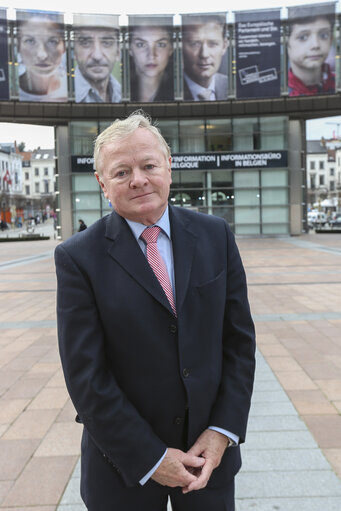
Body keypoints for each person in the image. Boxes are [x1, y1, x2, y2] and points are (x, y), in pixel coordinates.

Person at [55, 111, 255, 511]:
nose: (139, 179)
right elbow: (86, 376)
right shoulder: (78, 257)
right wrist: (150, 456)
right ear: (102, 184)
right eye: (121, 171)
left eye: (148, 165)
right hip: (123, 469)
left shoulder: (216, 236)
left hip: (207, 463)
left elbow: (239, 344)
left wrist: (222, 431)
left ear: (168, 166)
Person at [17, 13, 67, 102]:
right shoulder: (7, 91)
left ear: (64, 47)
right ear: (18, 47)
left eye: (52, 41)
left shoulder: (76, 91)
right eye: (30, 41)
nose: (42, 55)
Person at [73, 14, 121, 103]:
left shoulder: (121, 93)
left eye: (107, 43)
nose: (97, 56)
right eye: (85, 43)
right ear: (74, 51)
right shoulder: (59, 95)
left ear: (118, 52)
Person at [287, 11, 335, 96]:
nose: (315, 45)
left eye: (324, 35)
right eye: (303, 37)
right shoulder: (278, 90)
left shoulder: (336, 84)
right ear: (287, 44)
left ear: (330, 40)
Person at [182, 14, 228, 101]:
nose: (204, 54)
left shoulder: (235, 87)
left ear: (224, 46)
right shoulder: (164, 92)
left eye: (212, 44)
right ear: (181, 47)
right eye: (195, 44)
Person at [129, 23, 174, 102]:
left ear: (171, 49)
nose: (151, 55)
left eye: (160, 44)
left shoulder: (181, 94)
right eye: (141, 44)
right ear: (130, 49)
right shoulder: (120, 95)